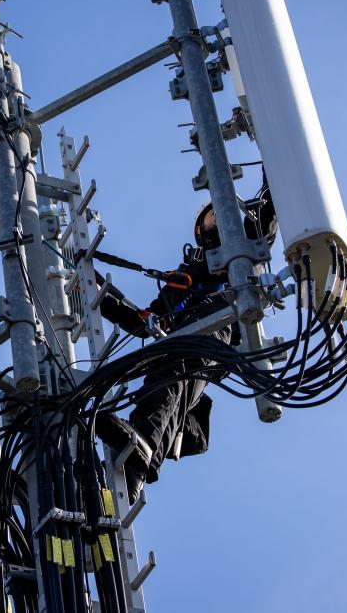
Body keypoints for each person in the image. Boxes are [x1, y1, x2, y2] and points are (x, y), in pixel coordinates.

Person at [96, 179, 278, 499]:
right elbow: (143, 321)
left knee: (176, 358)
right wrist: (96, 291)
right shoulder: (181, 282)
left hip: (217, 326)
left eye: (223, 214)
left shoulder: (244, 246)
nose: (217, 219)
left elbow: (271, 200)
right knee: (167, 364)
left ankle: (143, 444)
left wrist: (274, 147)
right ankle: (137, 462)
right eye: (211, 216)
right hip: (183, 340)